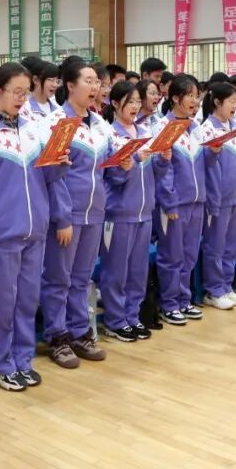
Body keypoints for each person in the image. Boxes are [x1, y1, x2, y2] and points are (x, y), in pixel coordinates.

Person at [0, 63, 67, 390]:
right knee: (1, 304)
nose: (22, 98)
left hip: (35, 230)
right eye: (16, 92)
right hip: (1, 236)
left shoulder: (34, 128)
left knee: (27, 300)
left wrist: (59, 164)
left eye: (26, 92)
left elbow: (46, 178)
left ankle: (22, 359)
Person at [41, 58, 114, 367]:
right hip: (68, 215)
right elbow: (53, 176)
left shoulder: (100, 124)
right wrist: (62, 217)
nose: (95, 87)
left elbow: (106, 170)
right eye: (88, 81)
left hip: (94, 212)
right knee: (59, 278)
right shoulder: (57, 123)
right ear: (70, 85)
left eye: (97, 81)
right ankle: (57, 336)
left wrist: (124, 162)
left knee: (82, 278)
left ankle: (79, 331)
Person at [100, 80, 168, 339]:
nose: (136, 106)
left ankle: (132, 315)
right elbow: (111, 178)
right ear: (115, 104)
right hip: (118, 213)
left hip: (144, 211)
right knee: (116, 271)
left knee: (138, 271)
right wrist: (129, 164)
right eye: (130, 102)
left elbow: (156, 173)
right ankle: (115, 320)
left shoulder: (144, 133)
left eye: (138, 101)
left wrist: (163, 160)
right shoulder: (109, 135)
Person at [150, 74, 205, 325]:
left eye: (196, 96)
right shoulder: (163, 127)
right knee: (171, 255)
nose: (194, 101)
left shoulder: (196, 126)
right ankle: (169, 303)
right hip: (175, 203)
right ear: (174, 98)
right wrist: (169, 201)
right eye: (189, 96)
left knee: (189, 254)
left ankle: (183, 299)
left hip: (196, 200)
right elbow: (162, 170)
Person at [193, 82, 236, 309]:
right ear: (217, 102)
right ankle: (213, 290)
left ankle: (226, 285)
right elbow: (204, 165)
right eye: (231, 101)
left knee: (230, 245)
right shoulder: (206, 129)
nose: (235, 106)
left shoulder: (235, 126)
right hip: (218, 197)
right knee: (215, 245)